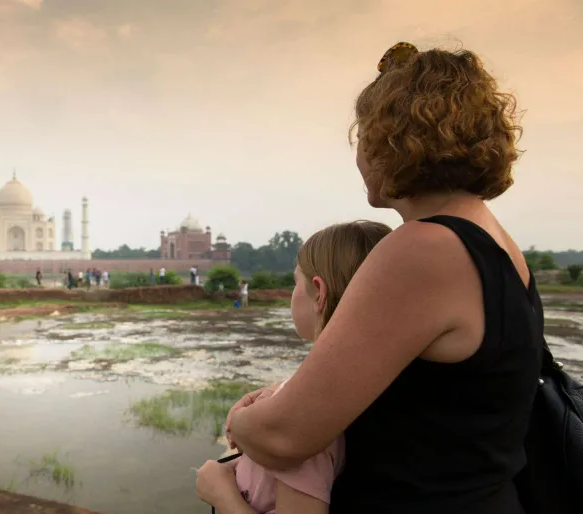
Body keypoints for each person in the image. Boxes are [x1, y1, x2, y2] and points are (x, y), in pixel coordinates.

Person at [225, 43, 542, 514]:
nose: (359, 158)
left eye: (364, 137)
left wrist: (240, 420)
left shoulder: (424, 248)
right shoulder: (494, 243)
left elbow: (283, 438)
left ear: (391, 141)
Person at [196, 221, 391, 514]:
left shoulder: (308, 413)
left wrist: (221, 492)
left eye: (294, 282)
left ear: (318, 292)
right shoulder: (382, 382)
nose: (292, 293)